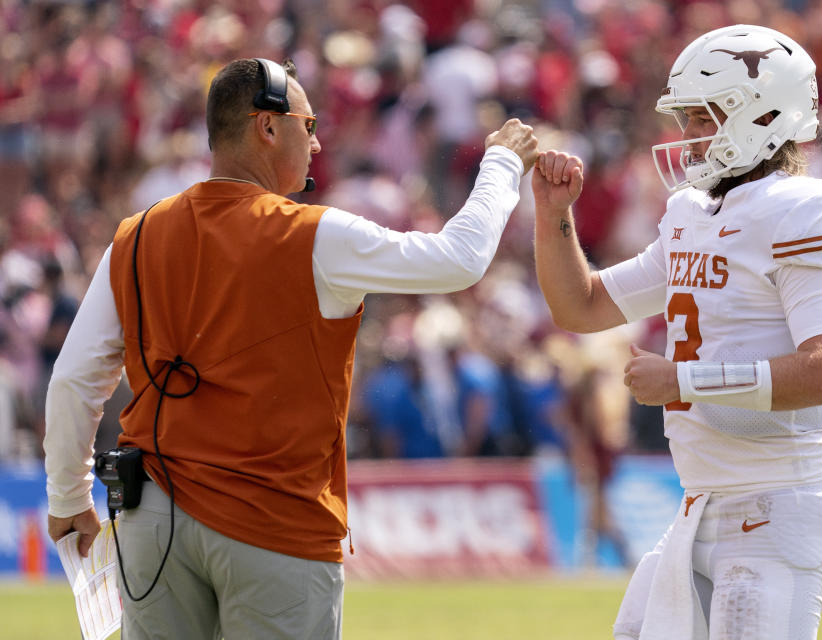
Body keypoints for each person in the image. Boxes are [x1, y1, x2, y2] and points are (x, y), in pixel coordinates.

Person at [44, 57, 537, 640]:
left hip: (154, 522)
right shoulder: (315, 234)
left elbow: (74, 380)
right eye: (309, 124)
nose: (319, 142)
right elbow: (460, 260)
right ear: (267, 127)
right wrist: (503, 163)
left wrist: (69, 495)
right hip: (274, 524)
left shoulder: (135, 233)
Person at [533, 25, 822, 640]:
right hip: (699, 506)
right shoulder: (692, 213)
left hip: (777, 504)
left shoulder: (805, 208)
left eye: (700, 118)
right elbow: (580, 307)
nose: (686, 137)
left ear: (761, 115)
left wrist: (683, 379)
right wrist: (555, 217)